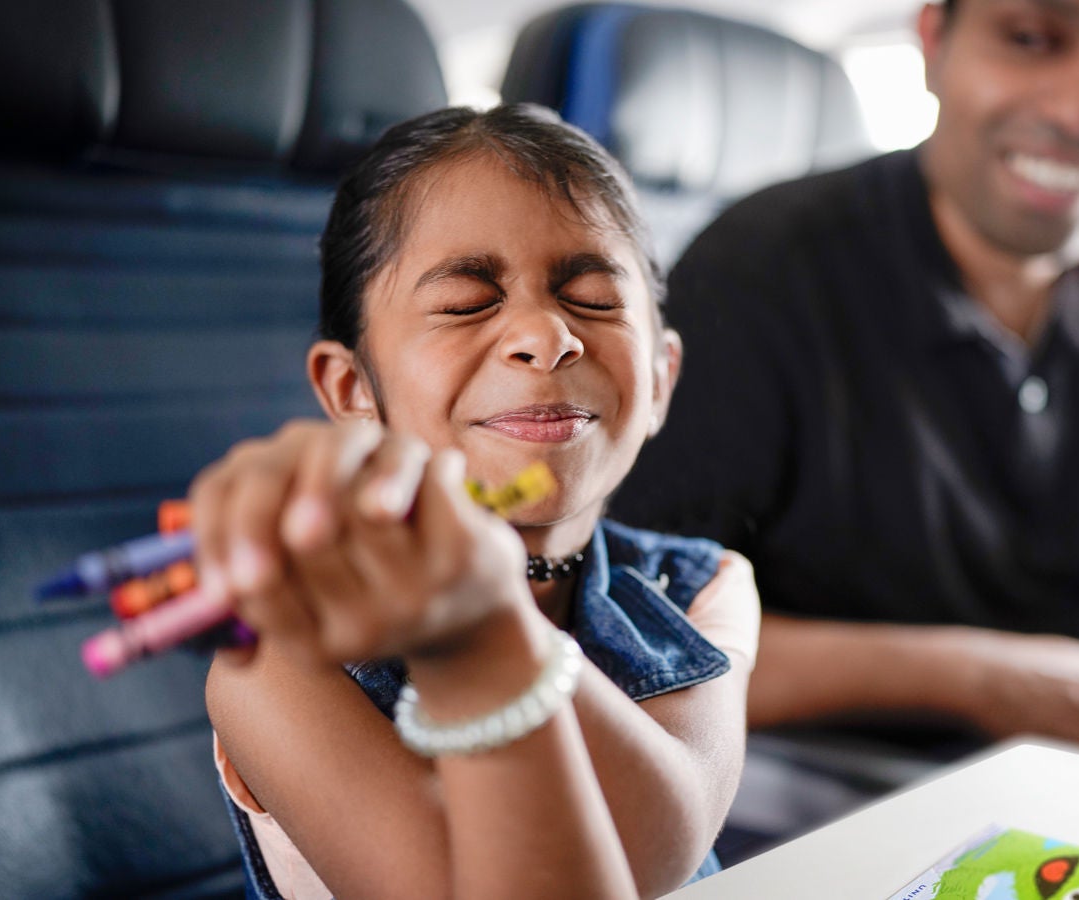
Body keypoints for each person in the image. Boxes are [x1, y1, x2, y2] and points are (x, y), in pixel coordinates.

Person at [612, 0, 1079, 854]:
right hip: (799, 743)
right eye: (1032, 39)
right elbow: (631, 639)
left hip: (1060, 733)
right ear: (933, 43)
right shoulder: (763, 272)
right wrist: (974, 676)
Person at [197, 103, 759, 899]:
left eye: (595, 298)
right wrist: (477, 639)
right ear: (353, 388)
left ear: (661, 379)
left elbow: (658, 851)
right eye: (466, 304)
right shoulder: (275, 649)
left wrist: (490, 623)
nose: (546, 336)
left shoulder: (701, 586)